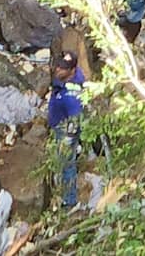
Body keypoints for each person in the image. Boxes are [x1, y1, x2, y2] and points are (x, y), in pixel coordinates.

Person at [47, 53, 85, 210]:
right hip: (59, 119)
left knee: (67, 164)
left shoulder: (72, 97)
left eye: (63, 68)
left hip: (65, 130)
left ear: (72, 70)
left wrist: (68, 142)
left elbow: (75, 121)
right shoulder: (66, 79)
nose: (58, 69)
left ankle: (69, 200)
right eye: (58, 66)